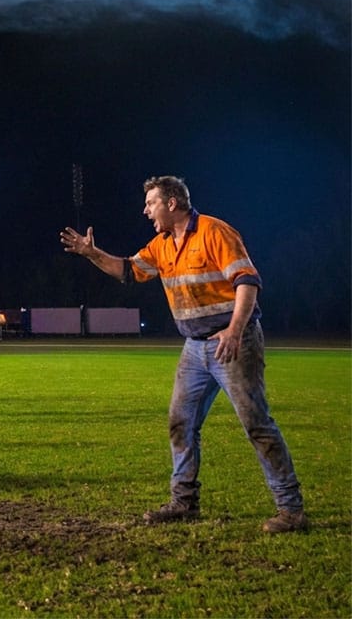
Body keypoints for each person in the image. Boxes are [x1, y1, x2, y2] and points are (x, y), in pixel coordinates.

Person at [59, 175, 306, 533]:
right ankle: (184, 502)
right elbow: (128, 271)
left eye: (151, 203)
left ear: (172, 203)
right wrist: (91, 253)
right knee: (181, 423)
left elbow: (247, 282)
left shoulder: (214, 232)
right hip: (195, 348)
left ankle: (291, 510)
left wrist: (235, 331)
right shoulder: (162, 244)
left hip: (232, 343)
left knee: (256, 423)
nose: (145, 210)